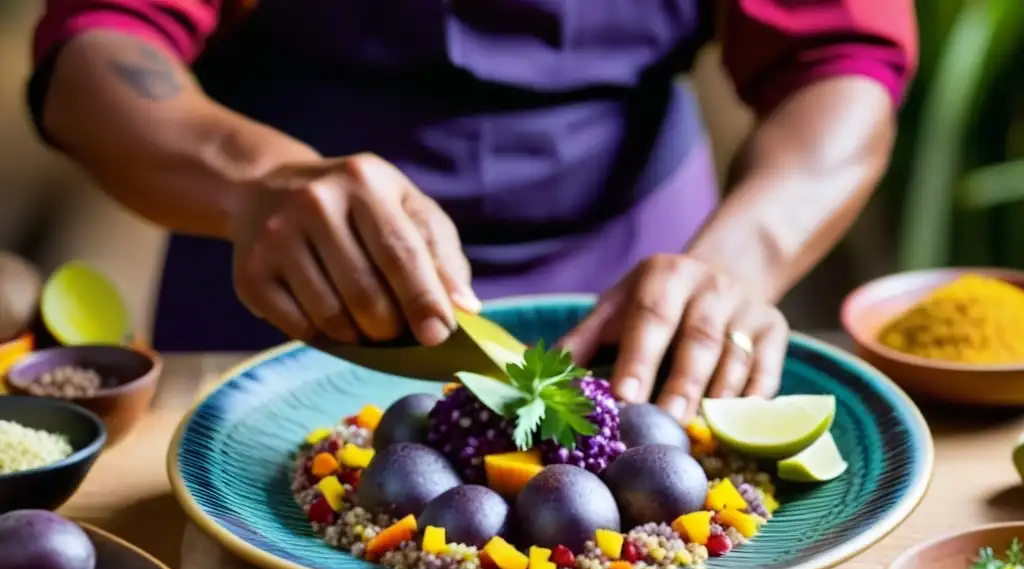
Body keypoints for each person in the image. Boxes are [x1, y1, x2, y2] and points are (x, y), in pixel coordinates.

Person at [27, 1, 916, 422]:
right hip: (283, 275)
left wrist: (740, 259)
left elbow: (839, 57)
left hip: (635, 270)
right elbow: (94, 51)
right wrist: (251, 176)